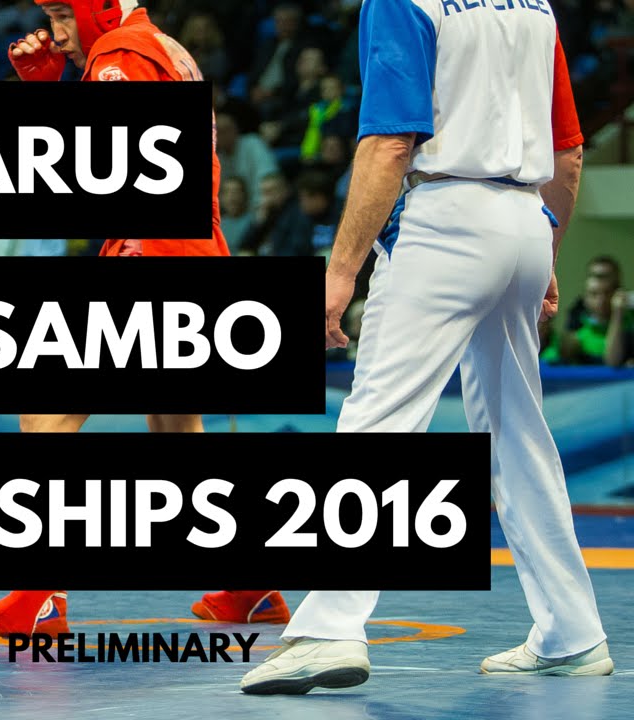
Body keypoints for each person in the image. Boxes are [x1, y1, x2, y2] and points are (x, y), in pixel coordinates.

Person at [240, 0, 614, 695]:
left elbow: (389, 143)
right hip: (526, 219)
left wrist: (341, 271)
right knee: (519, 436)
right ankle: (573, 631)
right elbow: (569, 152)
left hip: (444, 218)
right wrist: (544, 252)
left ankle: (330, 628)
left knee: (377, 422)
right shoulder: (536, 5)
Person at [0, 0, 289, 640]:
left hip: (149, 254)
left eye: (63, 16)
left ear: (99, 9)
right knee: (177, 428)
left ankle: (37, 598)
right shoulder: (165, 48)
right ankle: (251, 589)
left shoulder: (118, 51)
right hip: (192, 252)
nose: (56, 34)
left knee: (43, 415)